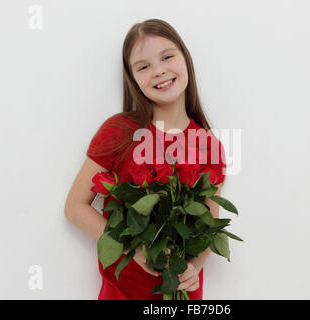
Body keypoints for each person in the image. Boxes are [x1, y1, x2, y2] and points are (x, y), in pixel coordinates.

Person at [64, 18, 227, 300]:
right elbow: (75, 206)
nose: (159, 71)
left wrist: (195, 266)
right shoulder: (119, 131)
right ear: (133, 78)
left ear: (185, 58)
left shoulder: (208, 145)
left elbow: (209, 224)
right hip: (123, 292)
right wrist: (133, 246)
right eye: (144, 66)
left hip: (181, 292)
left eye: (167, 57)